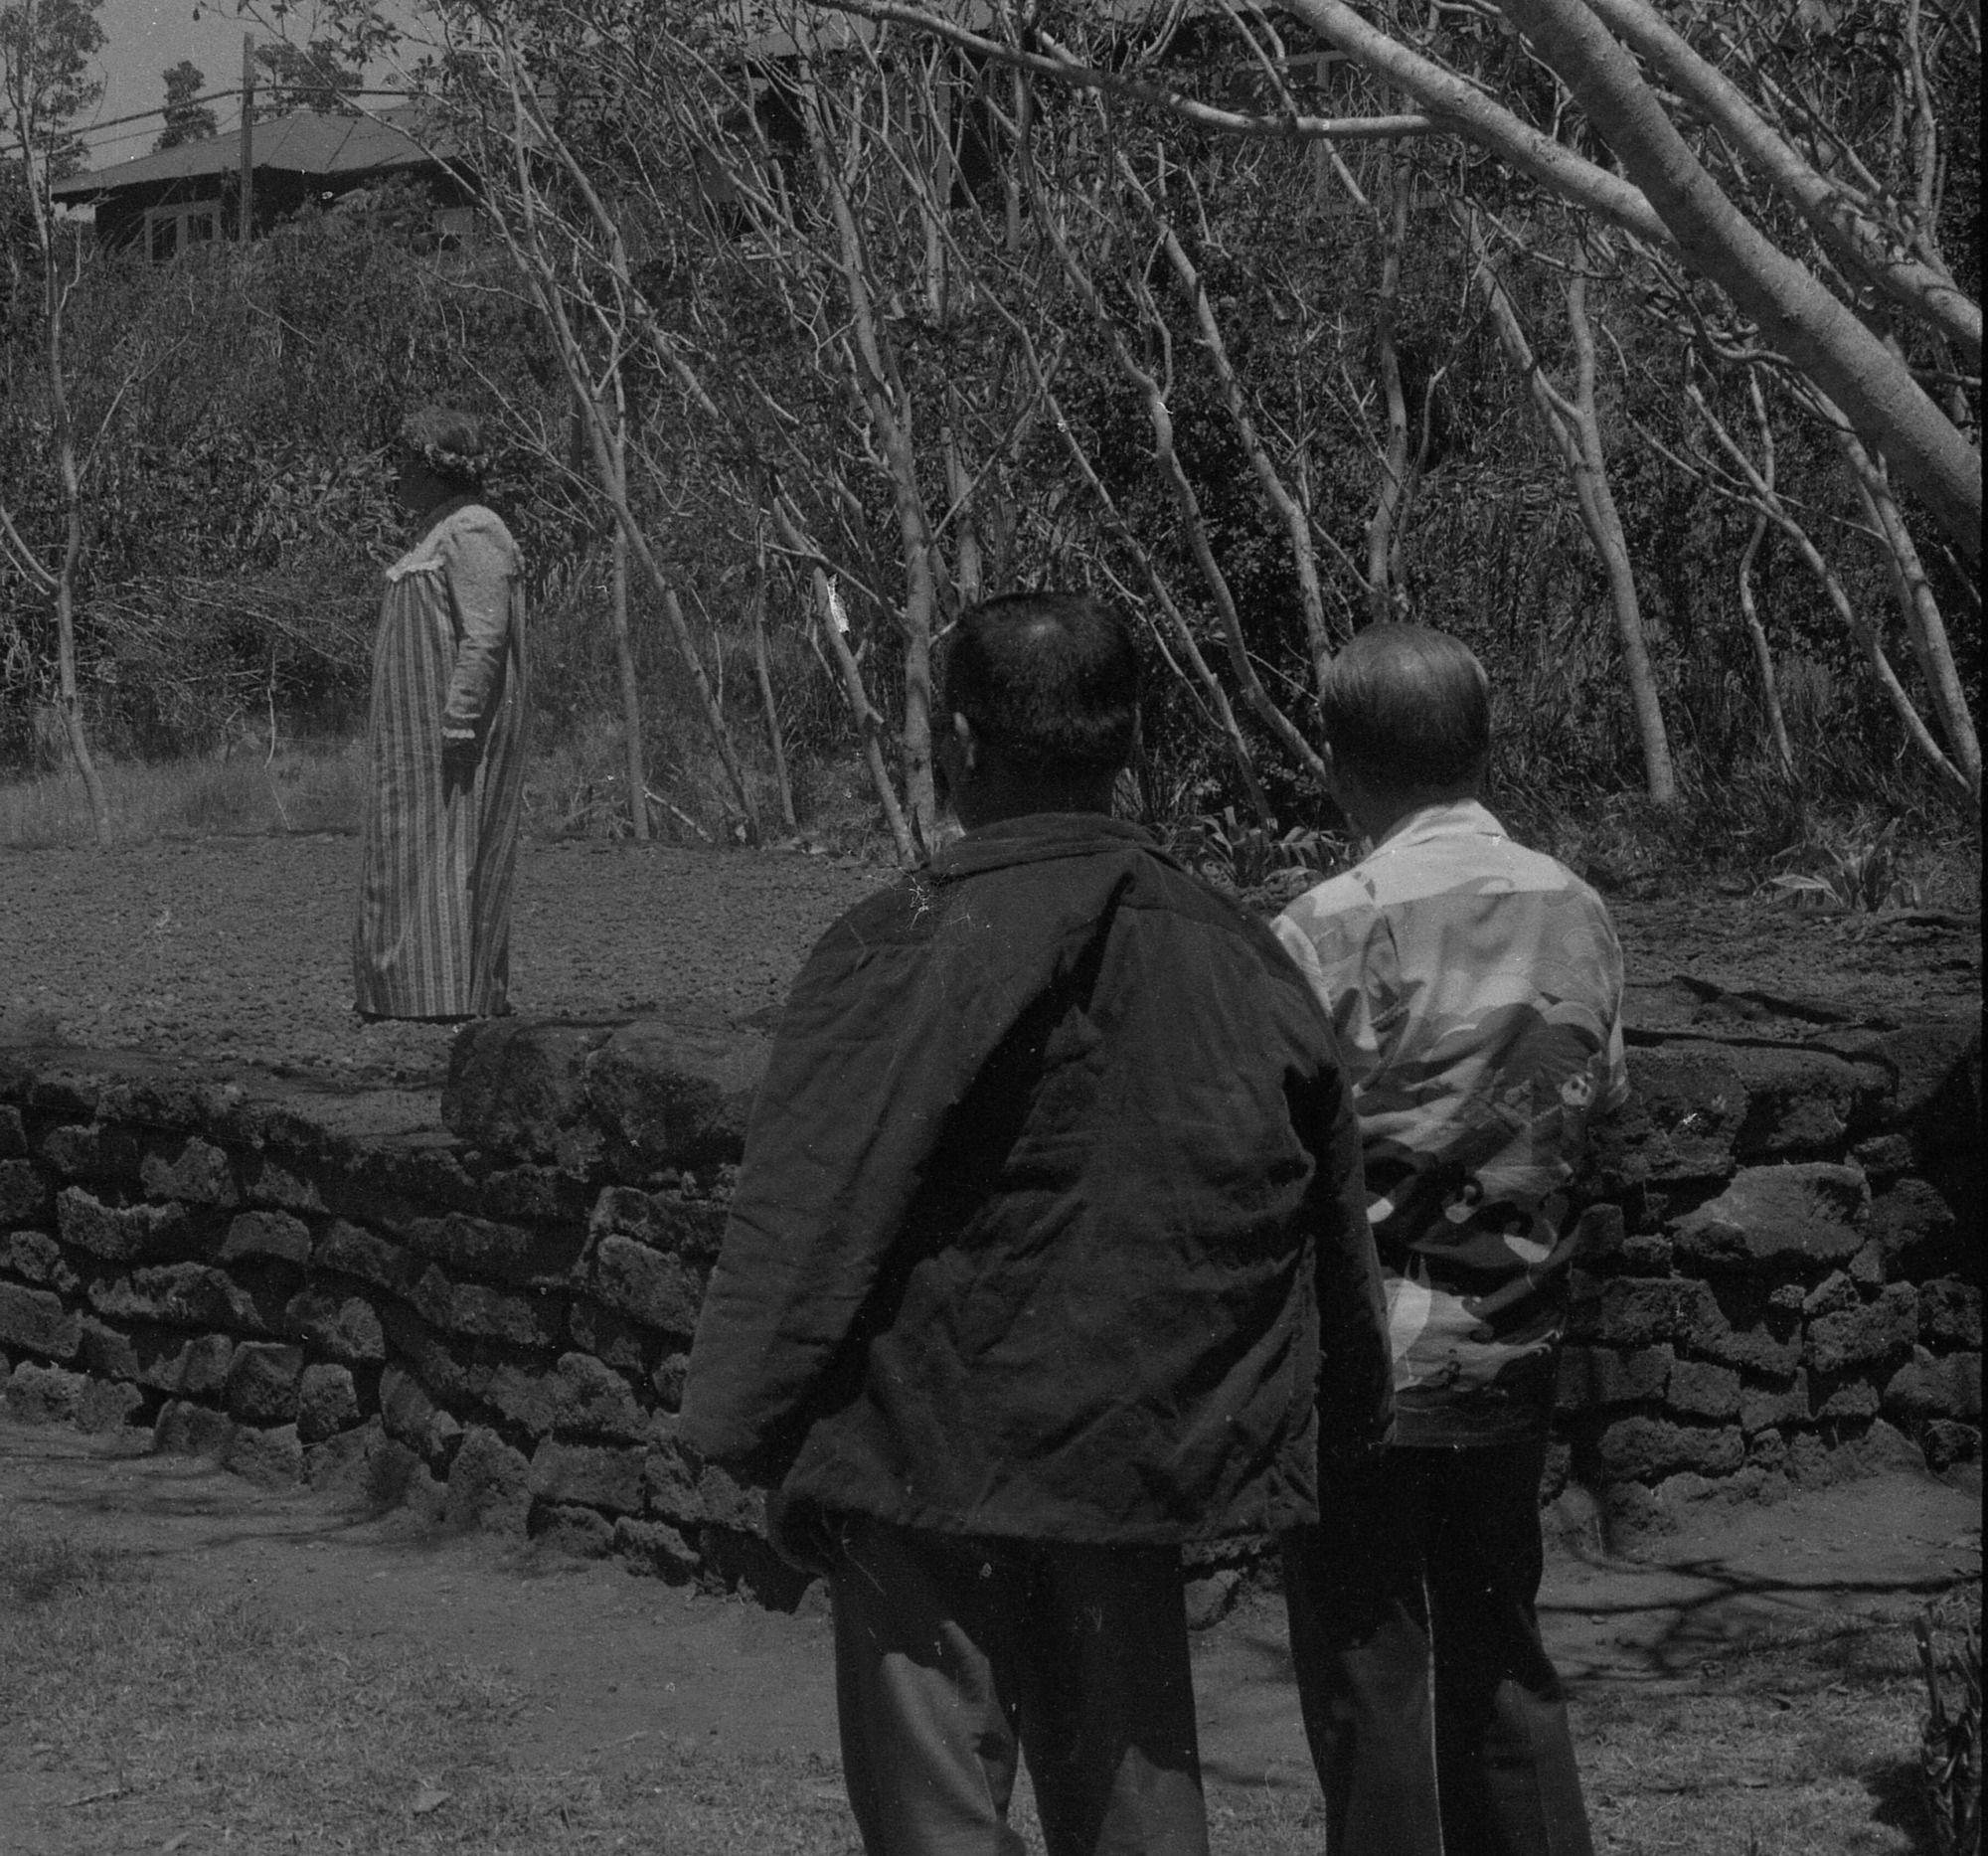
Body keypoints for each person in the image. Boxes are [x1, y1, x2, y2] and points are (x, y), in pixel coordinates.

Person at [680, 591, 1392, 1856]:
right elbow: (1325, 1209)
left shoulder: (889, 946)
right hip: (1136, 1450)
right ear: (1127, 742)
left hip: (919, 1455)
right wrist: (1345, 1422)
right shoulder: (1234, 953)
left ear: (957, 738)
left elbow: (805, 1209)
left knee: (935, 1811)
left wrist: (737, 1422)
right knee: (1135, 1791)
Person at [1272, 624, 1628, 1856]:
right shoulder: (1574, 908)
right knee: (1503, 1654)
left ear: (1338, 764)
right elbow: (1596, 1102)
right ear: (1482, 749)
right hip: (1514, 1345)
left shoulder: (1320, 927)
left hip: (1363, 1364)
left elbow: (1276, 1150)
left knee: (1369, 1671)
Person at [352, 408, 527, 1022]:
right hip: (414, 731)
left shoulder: (474, 529)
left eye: (406, 464)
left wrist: (461, 718)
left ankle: (446, 994)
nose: (396, 476)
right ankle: (403, 991)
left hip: (448, 730)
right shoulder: (440, 530)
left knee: (448, 851)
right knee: (409, 849)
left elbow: (485, 635)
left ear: (435, 470)